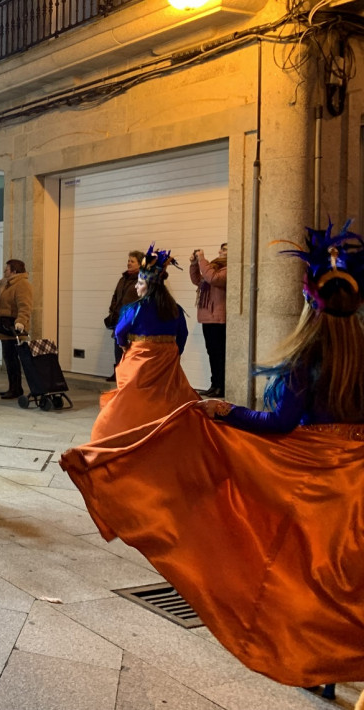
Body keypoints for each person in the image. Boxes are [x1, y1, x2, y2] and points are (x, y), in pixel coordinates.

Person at [60, 221, 364, 688]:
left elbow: (280, 423)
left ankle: (318, 662)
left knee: (299, 572)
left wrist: (223, 410)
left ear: (311, 305)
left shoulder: (309, 358)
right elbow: (179, 342)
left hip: (315, 480)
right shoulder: (178, 313)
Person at [91, 246, 198, 440]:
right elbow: (182, 334)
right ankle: (166, 432)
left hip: (141, 360)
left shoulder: (136, 308)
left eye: (140, 283)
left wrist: (124, 346)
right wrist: (174, 353)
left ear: (148, 285)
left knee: (136, 398)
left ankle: (135, 431)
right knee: (164, 397)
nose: (136, 287)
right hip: (167, 359)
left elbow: (119, 332)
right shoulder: (175, 308)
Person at [0, 259, 33, 399]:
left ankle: (16, 389)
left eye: (7, 269)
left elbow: (25, 306)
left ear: (14, 271)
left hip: (13, 328)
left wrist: (20, 322)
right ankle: (14, 388)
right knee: (9, 359)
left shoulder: (22, 285)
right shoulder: (6, 283)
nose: (4, 271)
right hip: (5, 329)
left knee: (12, 360)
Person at [190, 243, 228, 396]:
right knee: (211, 352)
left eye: (224, 249)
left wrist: (202, 260)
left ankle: (222, 386)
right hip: (207, 317)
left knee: (219, 354)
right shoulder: (213, 266)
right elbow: (198, 280)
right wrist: (194, 264)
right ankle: (214, 384)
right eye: (221, 248)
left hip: (219, 318)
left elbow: (212, 278)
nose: (220, 251)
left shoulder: (229, 268)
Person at [104, 250, 143, 381]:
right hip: (119, 318)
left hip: (132, 319)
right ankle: (118, 372)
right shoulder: (123, 279)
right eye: (128, 261)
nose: (129, 263)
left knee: (130, 348)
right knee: (118, 346)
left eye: (132, 261)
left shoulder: (142, 279)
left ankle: (129, 374)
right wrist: (112, 308)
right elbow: (115, 295)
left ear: (140, 263)